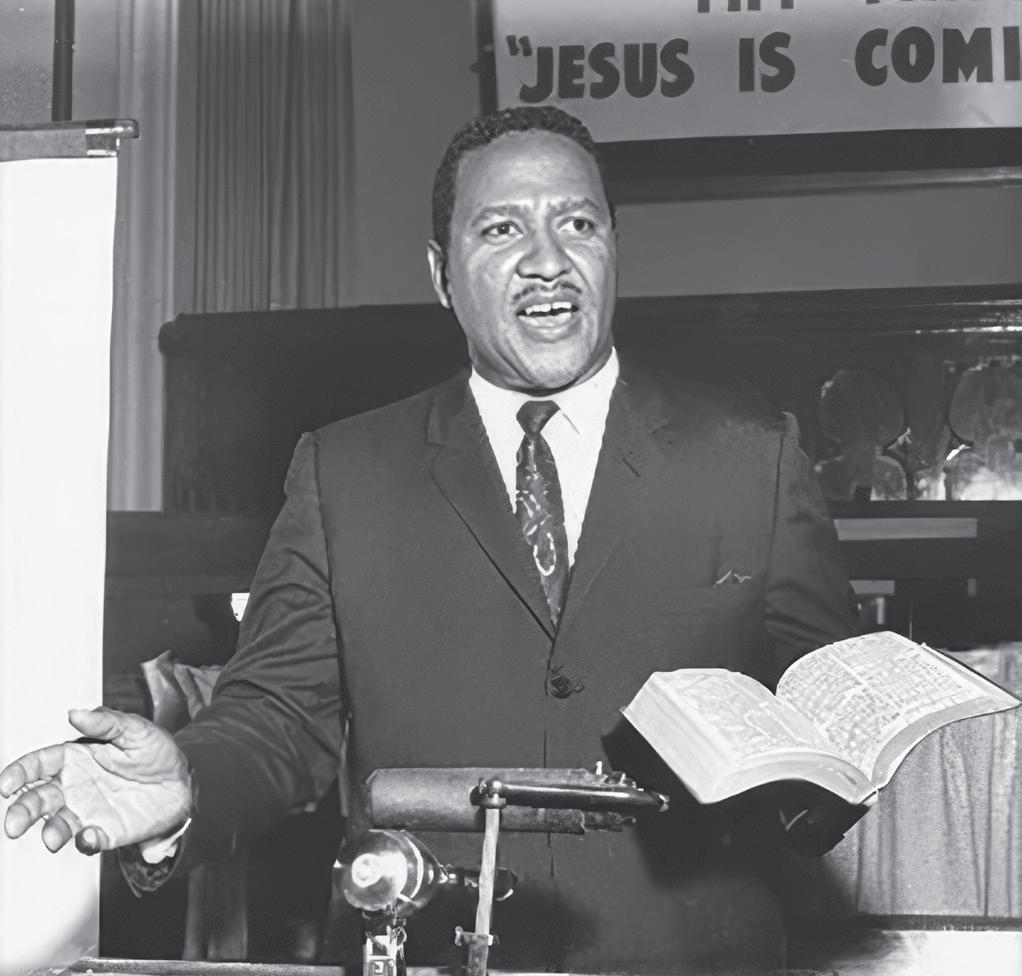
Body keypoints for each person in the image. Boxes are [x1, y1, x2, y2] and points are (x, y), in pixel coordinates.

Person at [1, 107, 859, 973]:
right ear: (442, 274)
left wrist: (845, 765)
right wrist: (187, 783)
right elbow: (277, 718)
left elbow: (825, 732)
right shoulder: (345, 472)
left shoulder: (751, 457)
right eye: (501, 229)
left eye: (577, 223)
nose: (548, 260)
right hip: (424, 950)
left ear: (613, 245)